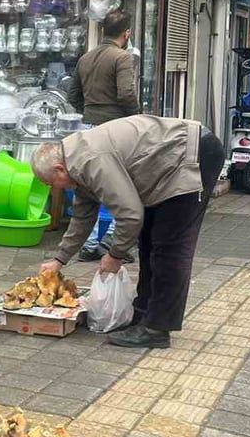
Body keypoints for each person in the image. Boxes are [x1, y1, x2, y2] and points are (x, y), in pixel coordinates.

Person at [32, 116, 223, 349]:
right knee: (148, 242)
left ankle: (157, 329)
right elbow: (83, 217)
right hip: (164, 169)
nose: (53, 189)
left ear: (59, 169)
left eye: (51, 183)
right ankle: (143, 315)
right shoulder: (76, 164)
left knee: (169, 249)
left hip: (191, 157)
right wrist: (59, 260)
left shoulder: (90, 160)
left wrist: (115, 254)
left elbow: (130, 215)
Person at [66, 10, 140, 262]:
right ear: (126, 33)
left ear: (103, 31)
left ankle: (87, 246)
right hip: (115, 131)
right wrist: (136, 119)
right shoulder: (123, 57)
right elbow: (126, 94)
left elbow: (72, 96)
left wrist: (89, 113)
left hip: (88, 129)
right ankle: (111, 241)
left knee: (87, 191)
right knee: (122, 188)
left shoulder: (85, 59)